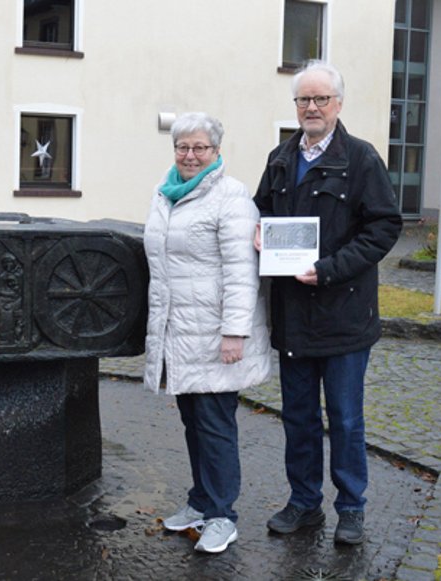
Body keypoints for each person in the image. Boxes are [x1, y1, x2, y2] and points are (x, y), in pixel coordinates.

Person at [253, 60, 402, 545]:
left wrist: (330, 268)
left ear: (338, 103)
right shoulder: (280, 158)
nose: (311, 107)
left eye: (320, 99)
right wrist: (256, 231)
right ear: (295, 105)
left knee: (345, 418)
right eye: (303, 100)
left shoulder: (361, 159)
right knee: (297, 417)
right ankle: (304, 503)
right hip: (293, 315)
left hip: (344, 316)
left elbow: (384, 226)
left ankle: (352, 507)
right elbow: (262, 212)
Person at [143, 112, 272, 553]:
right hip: (179, 334)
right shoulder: (166, 194)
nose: (191, 155)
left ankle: (223, 515)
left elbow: (242, 271)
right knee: (193, 423)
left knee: (215, 425)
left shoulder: (231, 197)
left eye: (201, 148)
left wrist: (235, 332)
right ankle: (200, 503)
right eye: (183, 147)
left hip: (216, 336)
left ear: (217, 151)